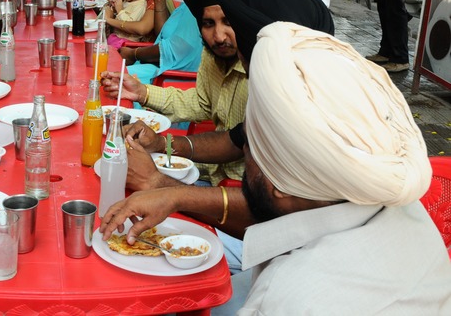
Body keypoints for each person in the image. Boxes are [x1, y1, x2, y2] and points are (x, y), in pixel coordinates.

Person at [101, 22, 451, 314]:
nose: (241, 151)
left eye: (249, 145)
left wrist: (165, 184)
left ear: (281, 182)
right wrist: (171, 191)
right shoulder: (398, 208)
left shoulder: (290, 297)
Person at [101, 0, 335, 188]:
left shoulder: (290, 87)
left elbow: (260, 202)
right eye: (208, 24)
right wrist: (144, 95)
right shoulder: (216, 57)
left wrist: (158, 182)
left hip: (236, 192)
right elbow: (222, 124)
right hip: (212, 176)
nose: (219, 37)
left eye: (230, 23)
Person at [121, 0, 220, 84]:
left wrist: (134, 53)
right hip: (159, 70)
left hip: (171, 79)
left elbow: (170, 49)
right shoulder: (189, 0)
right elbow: (164, 34)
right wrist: (159, 0)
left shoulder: (202, 7)